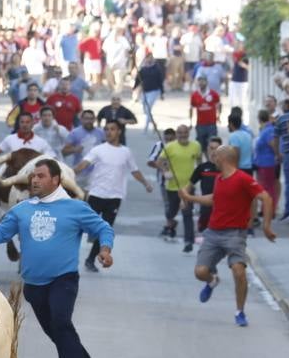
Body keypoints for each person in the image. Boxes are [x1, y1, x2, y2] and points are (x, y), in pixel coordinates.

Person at [0, 158, 114, 358]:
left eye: (41, 176)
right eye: (33, 176)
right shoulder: (22, 210)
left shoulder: (75, 208)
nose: (34, 180)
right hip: (33, 285)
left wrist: (105, 250)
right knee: (57, 332)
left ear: (56, 179)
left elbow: (103, 228)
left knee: (61, 323)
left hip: (63, 280)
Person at [179, 144, 277, 327]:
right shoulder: (220, 179)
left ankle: (240, 312)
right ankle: (212, 281)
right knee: (200, 272)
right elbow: (214, 199)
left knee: (239, 272)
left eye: (215, 156)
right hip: (213, 232)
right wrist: (189, 198)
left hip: (235, 234)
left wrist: (266, 226)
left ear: (223, 159)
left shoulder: (243, 179)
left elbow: (266, 198)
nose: (213, 159)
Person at [74, 121, 152, 272]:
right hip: (96, 194)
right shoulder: (98, 149)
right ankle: (68, 256)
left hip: (115, 197)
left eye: (112, 129)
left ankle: (90, 260)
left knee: (105, 230)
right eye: (106, 129)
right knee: (81, 227)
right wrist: (66, 174)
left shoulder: (126, 152)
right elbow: (82, 165)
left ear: (119, 132)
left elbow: (134, 170)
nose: (109, 132)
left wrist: (145, 183)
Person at [154, 124, 200, 250]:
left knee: (187, 213)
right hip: (172, 187)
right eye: (180, 133)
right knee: (171, 212)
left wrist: (198, 176)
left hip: (188, 187)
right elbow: (159, 161)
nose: (183, 135)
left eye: (185, 132)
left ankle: (188, 241)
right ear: (177, 134)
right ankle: (171, 221)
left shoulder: (195, 146)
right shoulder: (170, 147)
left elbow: (199, 162)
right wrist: (165, 171)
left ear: (188, 133)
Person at [252, 108, 280, 206]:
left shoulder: (268, 130)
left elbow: (272, 144)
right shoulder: (265, 129)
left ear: (259, 119)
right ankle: (266, 207)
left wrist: (277, 155)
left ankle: (270, 209)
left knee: (268, 188)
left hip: (267, 163)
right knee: (265, 187)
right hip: (263, 163)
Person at [189, 75, 220, 152]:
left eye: (203, 81)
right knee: (200, 146)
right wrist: (190, 121)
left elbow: (219, 105)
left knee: (213, 145)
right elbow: (191, 108)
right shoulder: (194, 95)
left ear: (206, 82)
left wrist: (219, 116)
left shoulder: (213, 94)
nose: (201, 83)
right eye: (199, 81)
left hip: (212, 123)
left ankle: (211, 162)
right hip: (200, 124)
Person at [134, 53, 164, 132]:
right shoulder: (143, 69)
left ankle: (146, 127)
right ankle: (153, 123)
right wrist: (134, 87)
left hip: (154, 91)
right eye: (148, 58)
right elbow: (138, 79)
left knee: (148, 109)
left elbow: (160, 81)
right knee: (145, 109)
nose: (149, 59)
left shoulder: (157, 69)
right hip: (145, 91)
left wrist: (162, 93)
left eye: (151, 58)